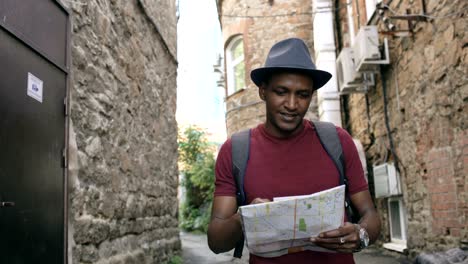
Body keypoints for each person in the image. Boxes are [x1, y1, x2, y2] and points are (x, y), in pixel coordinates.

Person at [207, 38, 381, 264]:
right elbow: (216, 242)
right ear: (263, 91)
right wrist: (247, 217)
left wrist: (361, 235)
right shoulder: (236, 151)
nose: (291, 104)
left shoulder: (337, 141)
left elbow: (370, 215)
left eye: (302, 94)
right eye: (281, 92)